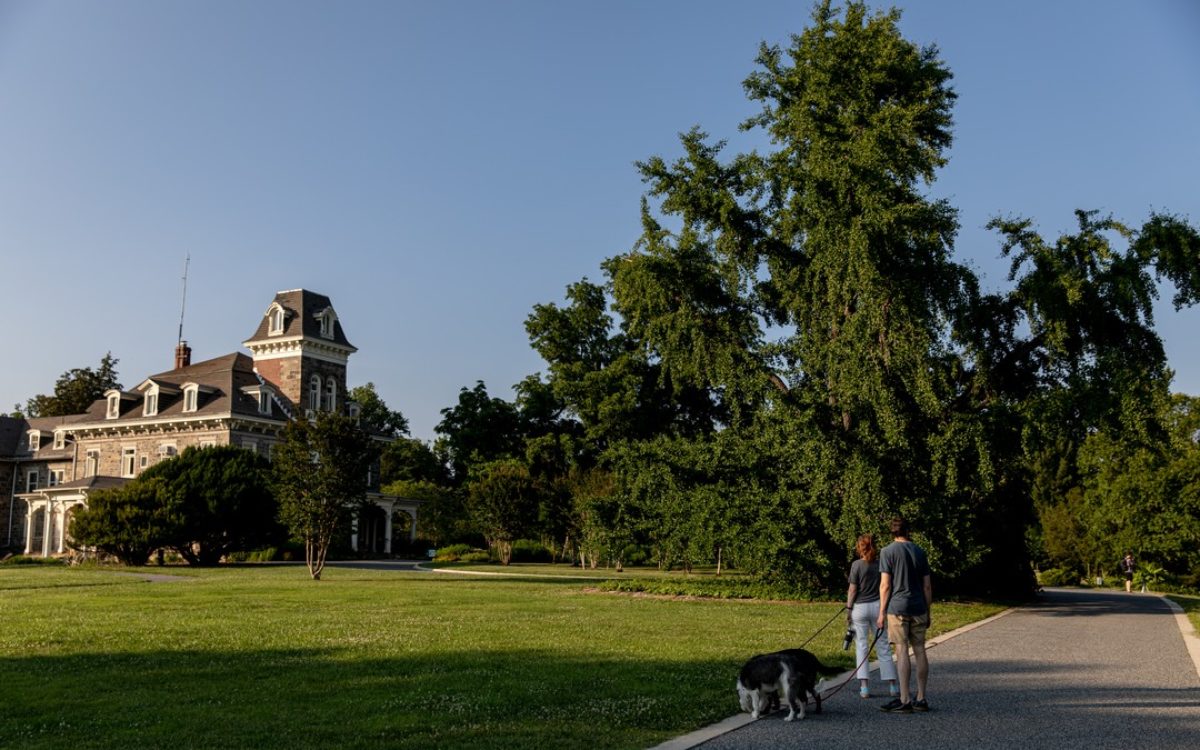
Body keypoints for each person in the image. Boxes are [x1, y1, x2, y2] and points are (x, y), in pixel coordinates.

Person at [877, 516, 932, 713]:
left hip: (897, 608)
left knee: (901, 650)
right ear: (908, 531)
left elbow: (885, 585)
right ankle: (922, 697)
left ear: (892, 532)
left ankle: (904, 698)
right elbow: (927, 586)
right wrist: (928, 610)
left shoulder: (887, 552)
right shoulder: (920, 551)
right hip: (918, 607)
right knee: (919, 650)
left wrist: (881, 612)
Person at [846, 533, 899, 699]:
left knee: (861, 646)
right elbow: (887, 585)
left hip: (860, 608)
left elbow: (853, 589)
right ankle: (892, 686)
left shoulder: (856, 565)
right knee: (883, 645)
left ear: (859, 548)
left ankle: (864, 687)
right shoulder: (880, 564)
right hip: (877, 606)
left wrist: (848, 608)